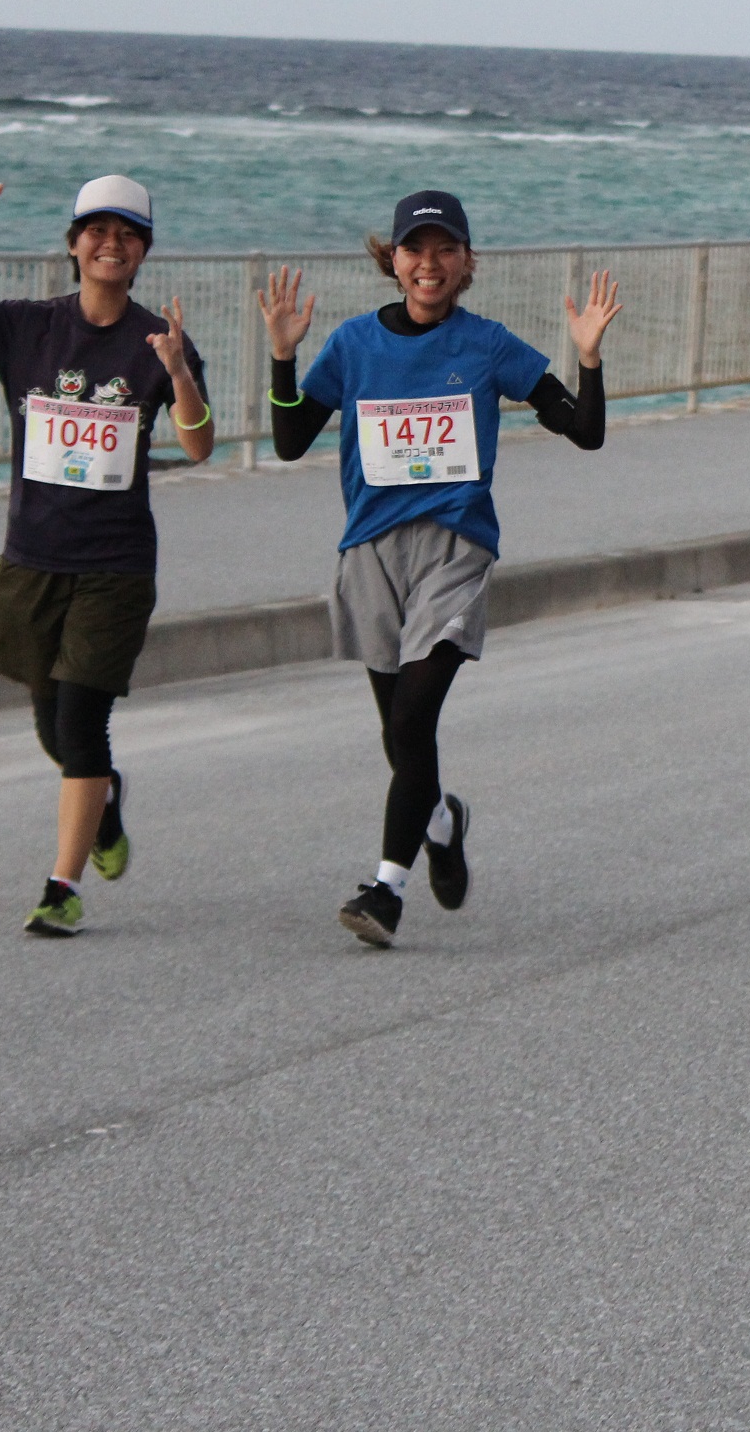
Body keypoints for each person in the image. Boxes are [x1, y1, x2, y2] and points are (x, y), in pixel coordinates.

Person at [259, 190, 619, 949]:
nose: (429, 264)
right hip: (370, 552)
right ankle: (442, 822)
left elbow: (583, 432)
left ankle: (385, 891)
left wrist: (587, 359)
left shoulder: (488, 346)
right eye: (414, 250)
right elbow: (290, 440)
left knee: (412, 718)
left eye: (444, 250)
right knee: (401, 737)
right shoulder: (355, 344)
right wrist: (283, 357)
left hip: (455, 550)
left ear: (466, 264)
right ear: (392, 261)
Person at [0, 174, 215, 936]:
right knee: (52, 725)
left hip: (116, 566)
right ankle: (103, 803)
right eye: (97, 230)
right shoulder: (27, 326)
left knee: (80, 724)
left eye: (128, 234)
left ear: (142, 252)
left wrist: (176, 372)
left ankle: (60, 886)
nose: (112, 243)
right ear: (74, 244)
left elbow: (200, 446)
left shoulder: (160, 341)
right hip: (30, 560)